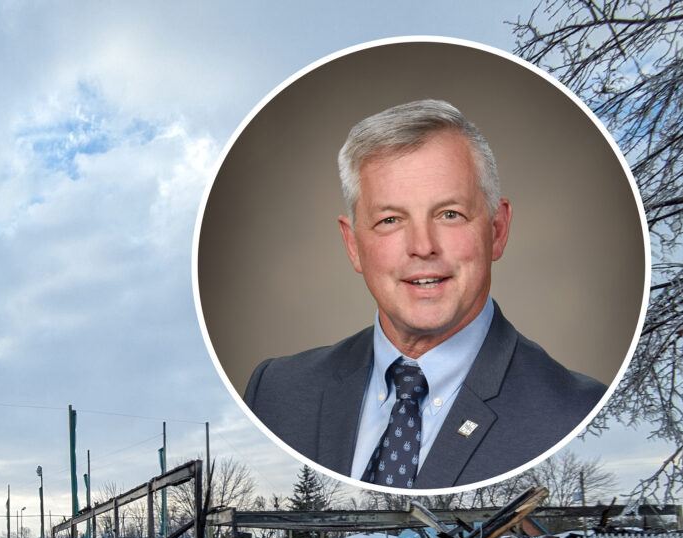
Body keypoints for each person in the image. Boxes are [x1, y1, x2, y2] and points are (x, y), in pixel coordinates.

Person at [244, 99, 606, 488]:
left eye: (450, 214)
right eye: (390, 220)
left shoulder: (576, 413)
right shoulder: (275, 393)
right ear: (353, 245)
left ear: (497, 230)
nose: (422, 246)